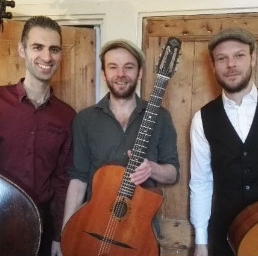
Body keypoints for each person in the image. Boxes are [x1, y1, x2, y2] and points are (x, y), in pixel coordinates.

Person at [62, 39, 180, 243]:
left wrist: (151, 168)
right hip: (94, 226)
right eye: (113, 67)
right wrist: (66, 232)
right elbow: (78, 179)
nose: (121, 74)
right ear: (103, 74)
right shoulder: (85, 119)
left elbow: (173, 174)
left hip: (141, 231)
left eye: (129, 67)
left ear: (140, 73)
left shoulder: (160, 116)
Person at [0, 16, 76, 256]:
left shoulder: (67, 116)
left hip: (42, 225)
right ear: (22, 50)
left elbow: (63, 180)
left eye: (54, 49)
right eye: (37, 47)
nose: (47, 57)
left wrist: (58, 237)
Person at [189, 28, 258, 256]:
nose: (231, 64)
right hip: (223, 237)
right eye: (222, 58)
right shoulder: (202, 119)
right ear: (213, 66)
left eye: (239, 55)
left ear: (253, 58)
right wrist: (201, 244)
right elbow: (200, 182)